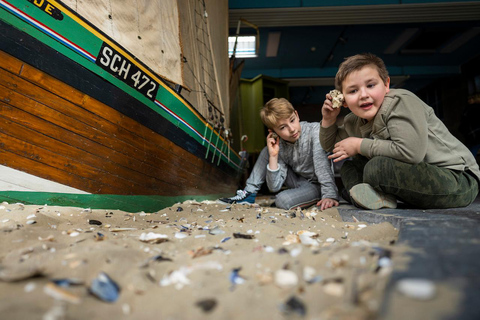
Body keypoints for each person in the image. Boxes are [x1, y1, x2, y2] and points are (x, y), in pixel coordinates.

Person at [320, 53, 480, 210]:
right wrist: (328, 119)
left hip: (458, 179)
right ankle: (367, 198)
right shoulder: (352, 121)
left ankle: (359, 195)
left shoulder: (400, 102)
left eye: (370, 85)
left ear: (386, 84)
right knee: (351, 167)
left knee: (377, 167)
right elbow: (330, 145)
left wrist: (359, 145)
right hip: (416, 178)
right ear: (344, 101)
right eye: (353, 91)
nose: (363, 95)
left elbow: (411, 153)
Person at [219, 98, 339, 210]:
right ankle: (249, 193)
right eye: (282, 127)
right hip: (297, 181)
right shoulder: (279, 144)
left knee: (282, 200)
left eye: (292, 120)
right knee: (268, 150)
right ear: (273, 131)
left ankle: (317, 195)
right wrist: (273, 156)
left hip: (316, 184)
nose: (292, 129)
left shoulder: (315, 131)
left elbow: (322, 166)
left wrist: (329, 194)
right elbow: (274, 187)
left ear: (297, 115)